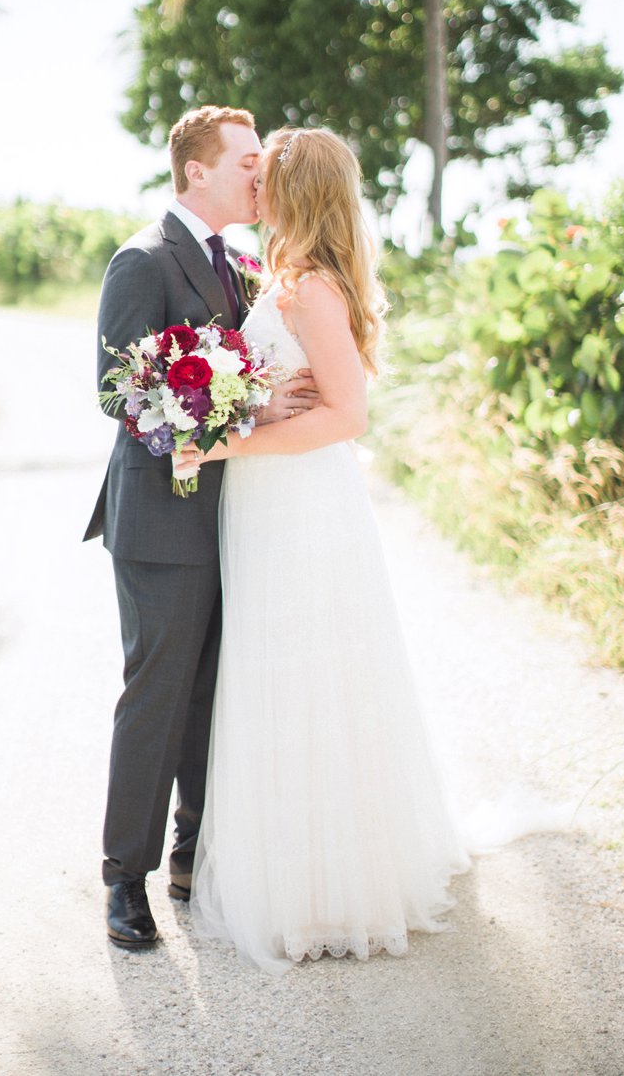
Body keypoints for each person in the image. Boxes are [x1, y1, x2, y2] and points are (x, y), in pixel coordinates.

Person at [178, 127, 471, 973]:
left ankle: (327, 891)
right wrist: (250, 405)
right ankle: (296, 861)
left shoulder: (310, 288)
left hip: (303, 505)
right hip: (270, 501)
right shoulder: (280, 276)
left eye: (264, 176)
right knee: (276, 674)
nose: (253, 188)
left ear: (293, 194)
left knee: (309, 676)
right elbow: (288, 393)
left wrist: (223, 445)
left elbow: (346, 418)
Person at [84, 105, 317, 950]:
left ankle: (191, 856)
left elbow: (248, 369)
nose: (262, 174)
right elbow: (117, 391)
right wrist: (205, 415)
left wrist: (260, 402)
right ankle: (123, 880)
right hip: (160, 520)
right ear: (196, 171)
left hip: (239, 514)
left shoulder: (246, 265)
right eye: (248, 161)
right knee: (158, 695)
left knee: (217, 694)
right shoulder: (143, 259)